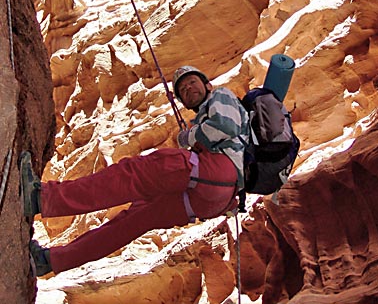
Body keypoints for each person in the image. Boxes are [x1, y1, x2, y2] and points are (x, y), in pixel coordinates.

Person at [20, 65, 249, 276]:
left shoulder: (221, 95)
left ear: (207, 84)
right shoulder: (206, 119)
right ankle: (49, 261)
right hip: (214, 199)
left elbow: (225, 126)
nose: (188, 88)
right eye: (182, 89)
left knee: (135, 172)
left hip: (219, 172)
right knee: (134, 220)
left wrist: (187, 137)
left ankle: (41, 198)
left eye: (192, 82)